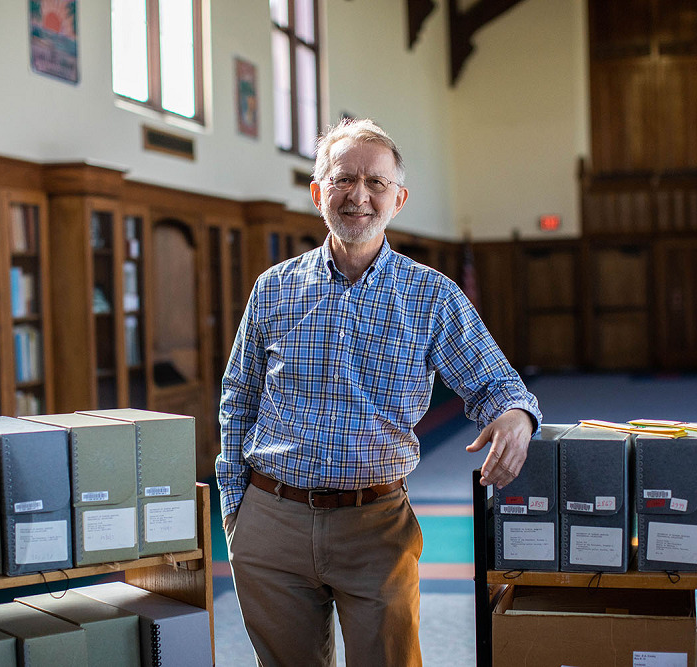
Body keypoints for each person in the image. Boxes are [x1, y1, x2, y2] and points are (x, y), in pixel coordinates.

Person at [217, 117, 542, 666]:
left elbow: (499, 385)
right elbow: (238, 397)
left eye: (376, 183)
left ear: (399, 198)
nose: (359, 196)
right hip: (272, 523)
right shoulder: (273, 289)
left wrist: (516, 416)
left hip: (375, 528)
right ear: (319, 192)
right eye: (344, 180)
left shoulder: (431, 294)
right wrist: (236, 513)